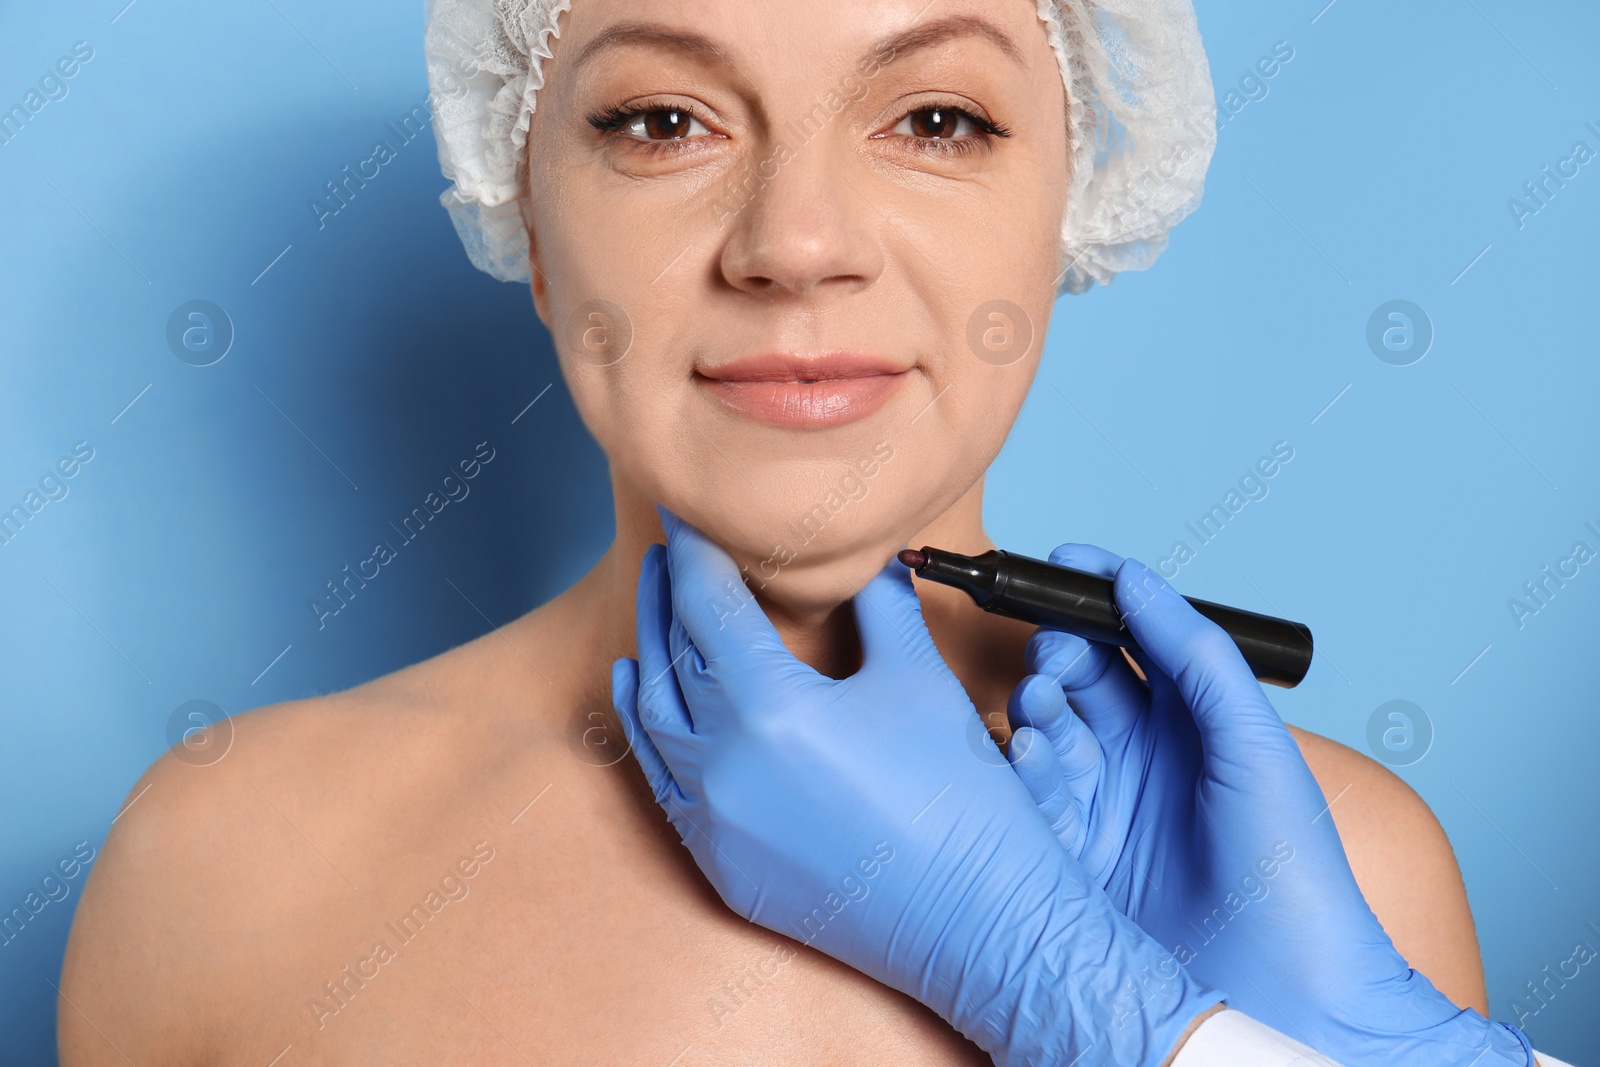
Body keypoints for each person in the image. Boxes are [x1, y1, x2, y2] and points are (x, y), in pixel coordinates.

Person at [59, 1, 1489, 1063]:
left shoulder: (1328, 886)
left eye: (936, 120)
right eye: (661, 121)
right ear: (532, 222)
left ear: (1069, 208)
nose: (796, 243)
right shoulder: (228, 869)